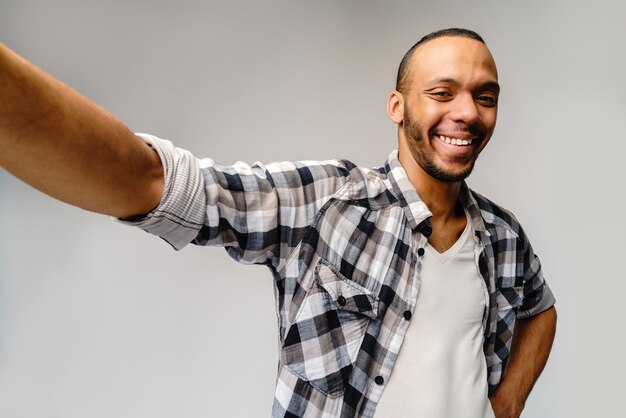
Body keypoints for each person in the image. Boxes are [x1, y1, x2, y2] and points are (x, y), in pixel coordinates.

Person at [0, 28, 556, 418]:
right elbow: (156, 183)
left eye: (486, 97)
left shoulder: (502, 237)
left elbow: (541, 309)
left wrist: (504, 405)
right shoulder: (327, 202)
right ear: (397, 106)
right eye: (442, 92)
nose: (467, 112)